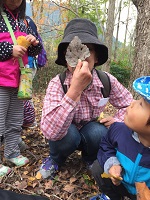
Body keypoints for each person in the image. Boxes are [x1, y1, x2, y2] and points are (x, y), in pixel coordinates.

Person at [39, 18, 133, 179]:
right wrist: (74, 90)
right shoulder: (57, 83)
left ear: (96, 58)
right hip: (66, 133)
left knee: (99, 132)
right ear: (66, 57)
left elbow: (129, 105)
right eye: (73, 51)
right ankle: (56, 158)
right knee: (68, 134)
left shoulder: (106, 81)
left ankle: (90, 158)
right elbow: (50, 131)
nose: (81, 58)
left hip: (89, 129)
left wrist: (118, 120)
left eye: (87, 50)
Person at [90, 76, 150, 200]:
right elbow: (106, 146)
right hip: (121, 184)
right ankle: (112, 196)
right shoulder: (119, 130)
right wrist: (112, 164)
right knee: (98, 168)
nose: (132, 103)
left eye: (141, 104)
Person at [0, 0, 42, 177]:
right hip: (1, 80)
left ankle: (11, 153)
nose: (15, 1)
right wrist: (9, 49)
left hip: (19, 81)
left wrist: (34, 43)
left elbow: (36, 51)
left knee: (15, 121)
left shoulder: (24, 21)